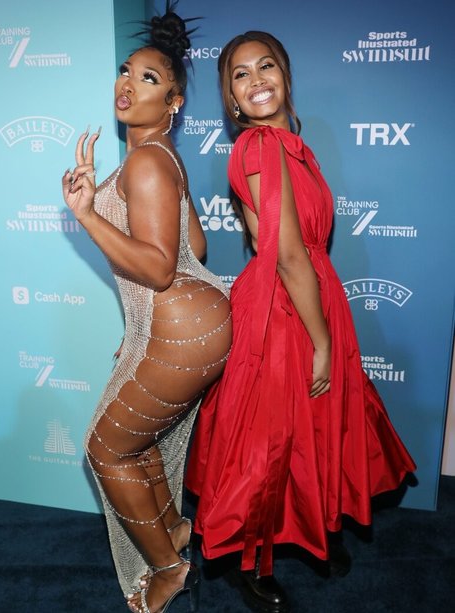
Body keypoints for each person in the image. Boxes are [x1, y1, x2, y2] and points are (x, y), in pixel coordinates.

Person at [185, 30, 416, 612]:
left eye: (266, 66)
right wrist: (321, 341)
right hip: (284, 306)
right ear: (231, 98)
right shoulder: (261, 146)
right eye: (240, 74)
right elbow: (287, 253)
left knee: (311, 426)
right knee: (267, 438)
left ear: (285, 77)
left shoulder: (293, 146)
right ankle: (246, 558)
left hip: (311, 292)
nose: (255, 80)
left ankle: (313, 526)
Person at [61, 5, 231, 613]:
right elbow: (196, 247)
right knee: (135, 443)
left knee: (105, 449)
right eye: (126, 71)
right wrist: (138, 331)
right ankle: (176, 530)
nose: (129, 84)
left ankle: (167, 570)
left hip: (177, 326)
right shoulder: (162, 157)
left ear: (174, 102)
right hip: (189, 323)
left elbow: (159, 269)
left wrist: (87, 215)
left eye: (149, 78)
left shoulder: (147, 159)